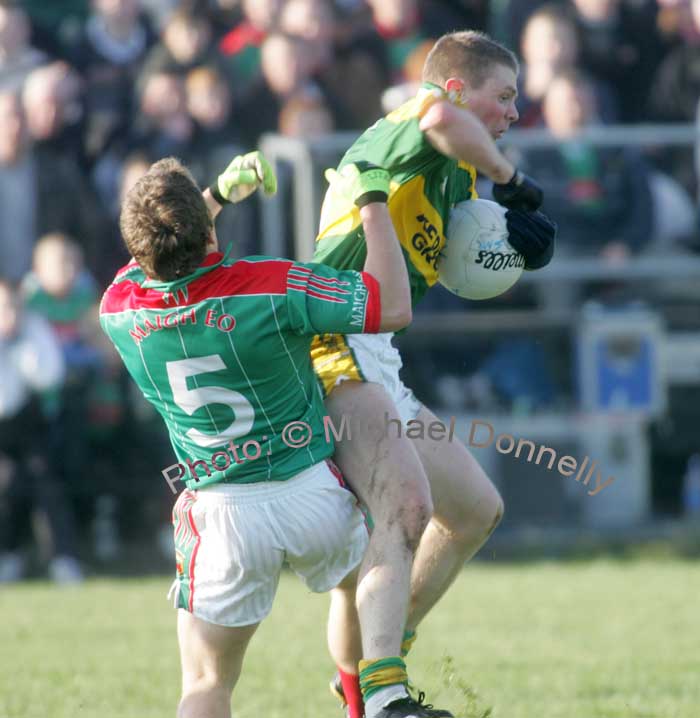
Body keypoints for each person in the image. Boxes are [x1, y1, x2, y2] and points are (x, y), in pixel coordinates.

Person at [99, 150, 413, 718]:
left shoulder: (117, 309)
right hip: (312, 491)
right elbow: (390, 305)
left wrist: (213, 195)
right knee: (356, 587)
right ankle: (361, 703)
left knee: (206, 683)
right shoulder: (272, 284)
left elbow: (151, 254)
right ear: (209, 237)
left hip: (221, 516)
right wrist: (371, 205)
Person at [311, 30, 557, 718]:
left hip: (374, 353)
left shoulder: (449, 175)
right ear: (453, 87)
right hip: (331, 341)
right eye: (502, 96)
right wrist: (512, 180)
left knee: (474, 511)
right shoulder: (416, 125)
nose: (512, 111)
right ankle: (384, 695)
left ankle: (368, 671)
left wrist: (515, 250)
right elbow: (441, 119)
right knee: (404, 511)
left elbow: (458, 267)